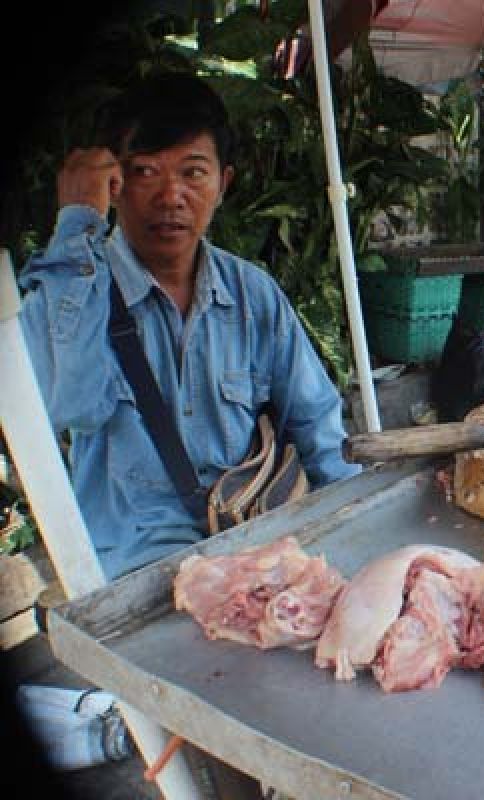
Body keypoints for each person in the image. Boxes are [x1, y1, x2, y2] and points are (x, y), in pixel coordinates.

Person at [18, 72, 360, 581]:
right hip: (137, 578)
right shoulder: (78, 290)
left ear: (223, 184)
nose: (171, 195)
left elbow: (319, 429)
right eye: (146, 172)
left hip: (251, 554)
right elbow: (66, 402)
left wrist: (355, 530)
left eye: (193, 173)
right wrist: (78, 222)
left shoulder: (253, 294)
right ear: (114, 183)